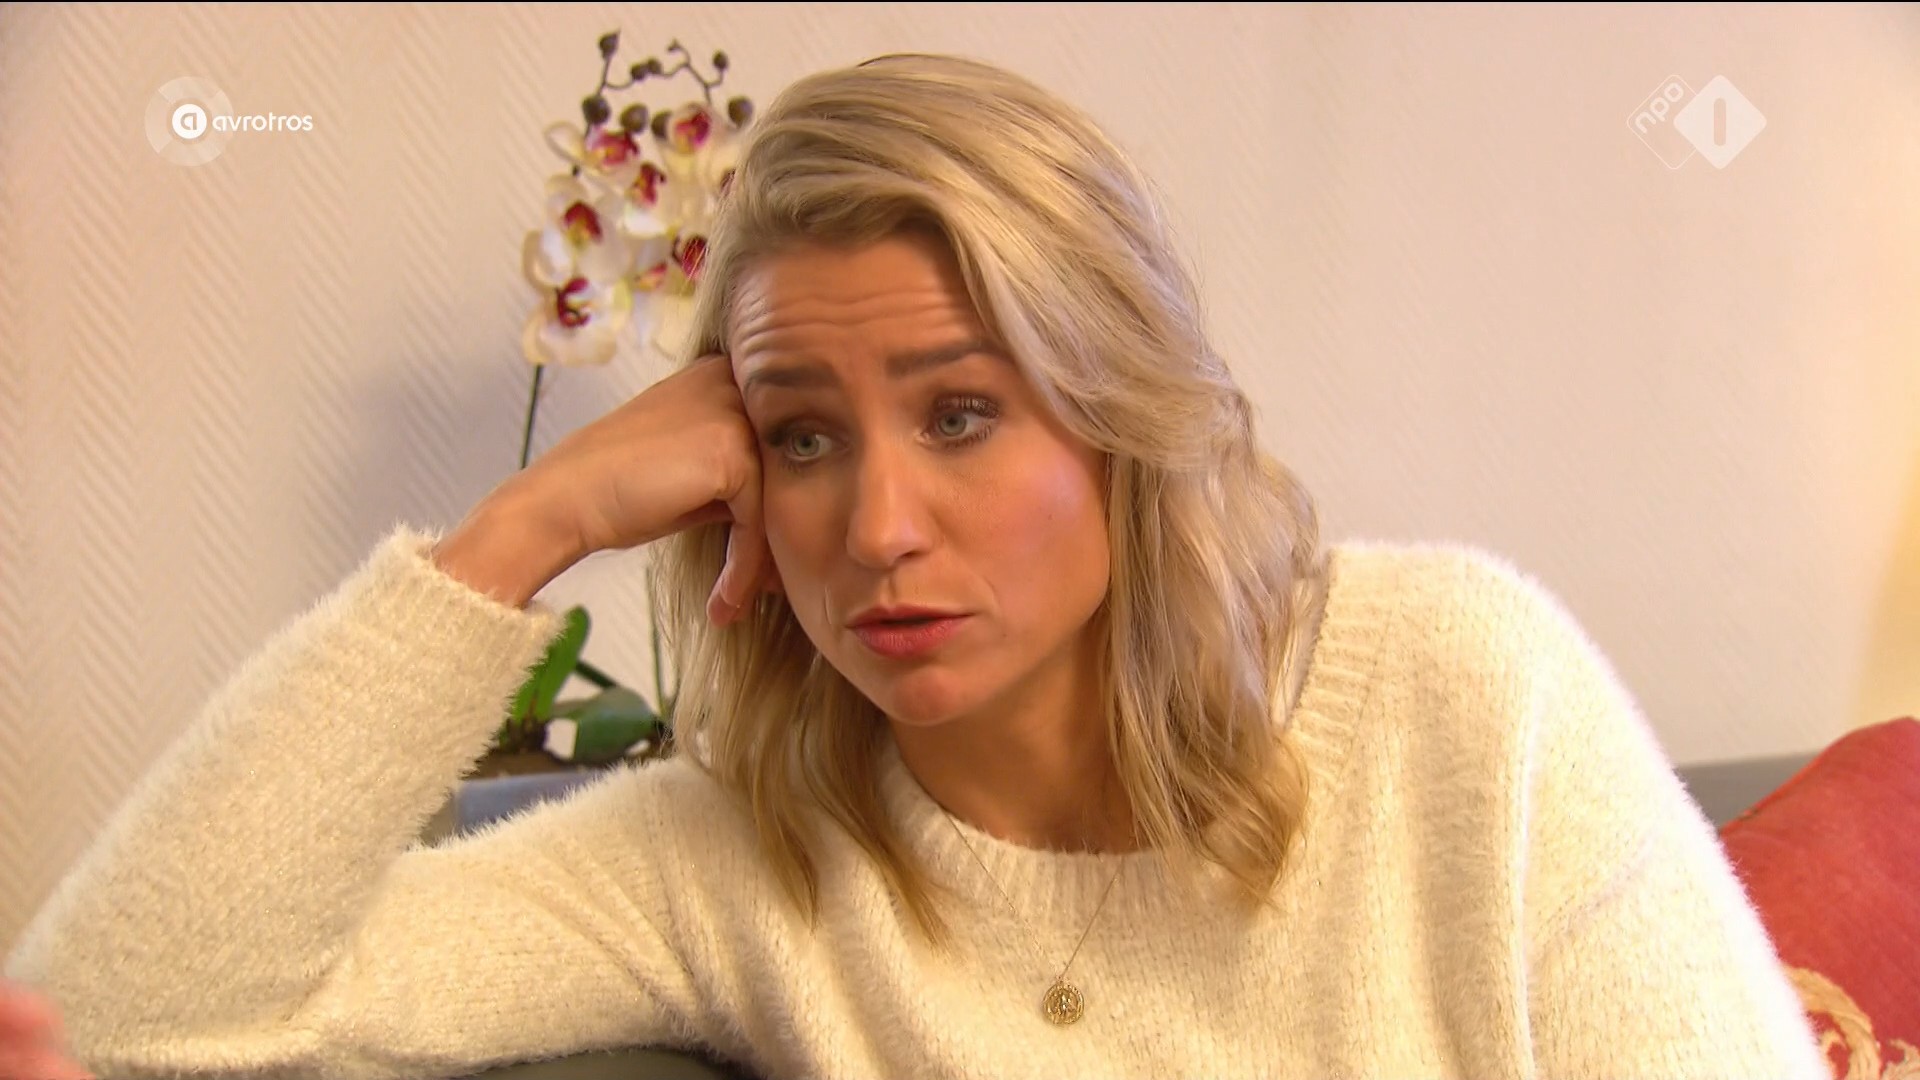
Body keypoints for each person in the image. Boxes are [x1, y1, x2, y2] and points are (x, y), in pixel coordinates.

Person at [3, 53, 1824, 1080]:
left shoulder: (1461, 687)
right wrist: (523, 530)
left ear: (1119, 422)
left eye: (961, 413)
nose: (876, 527)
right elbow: (117, 1018)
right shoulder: (740, 857)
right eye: (800, 437)